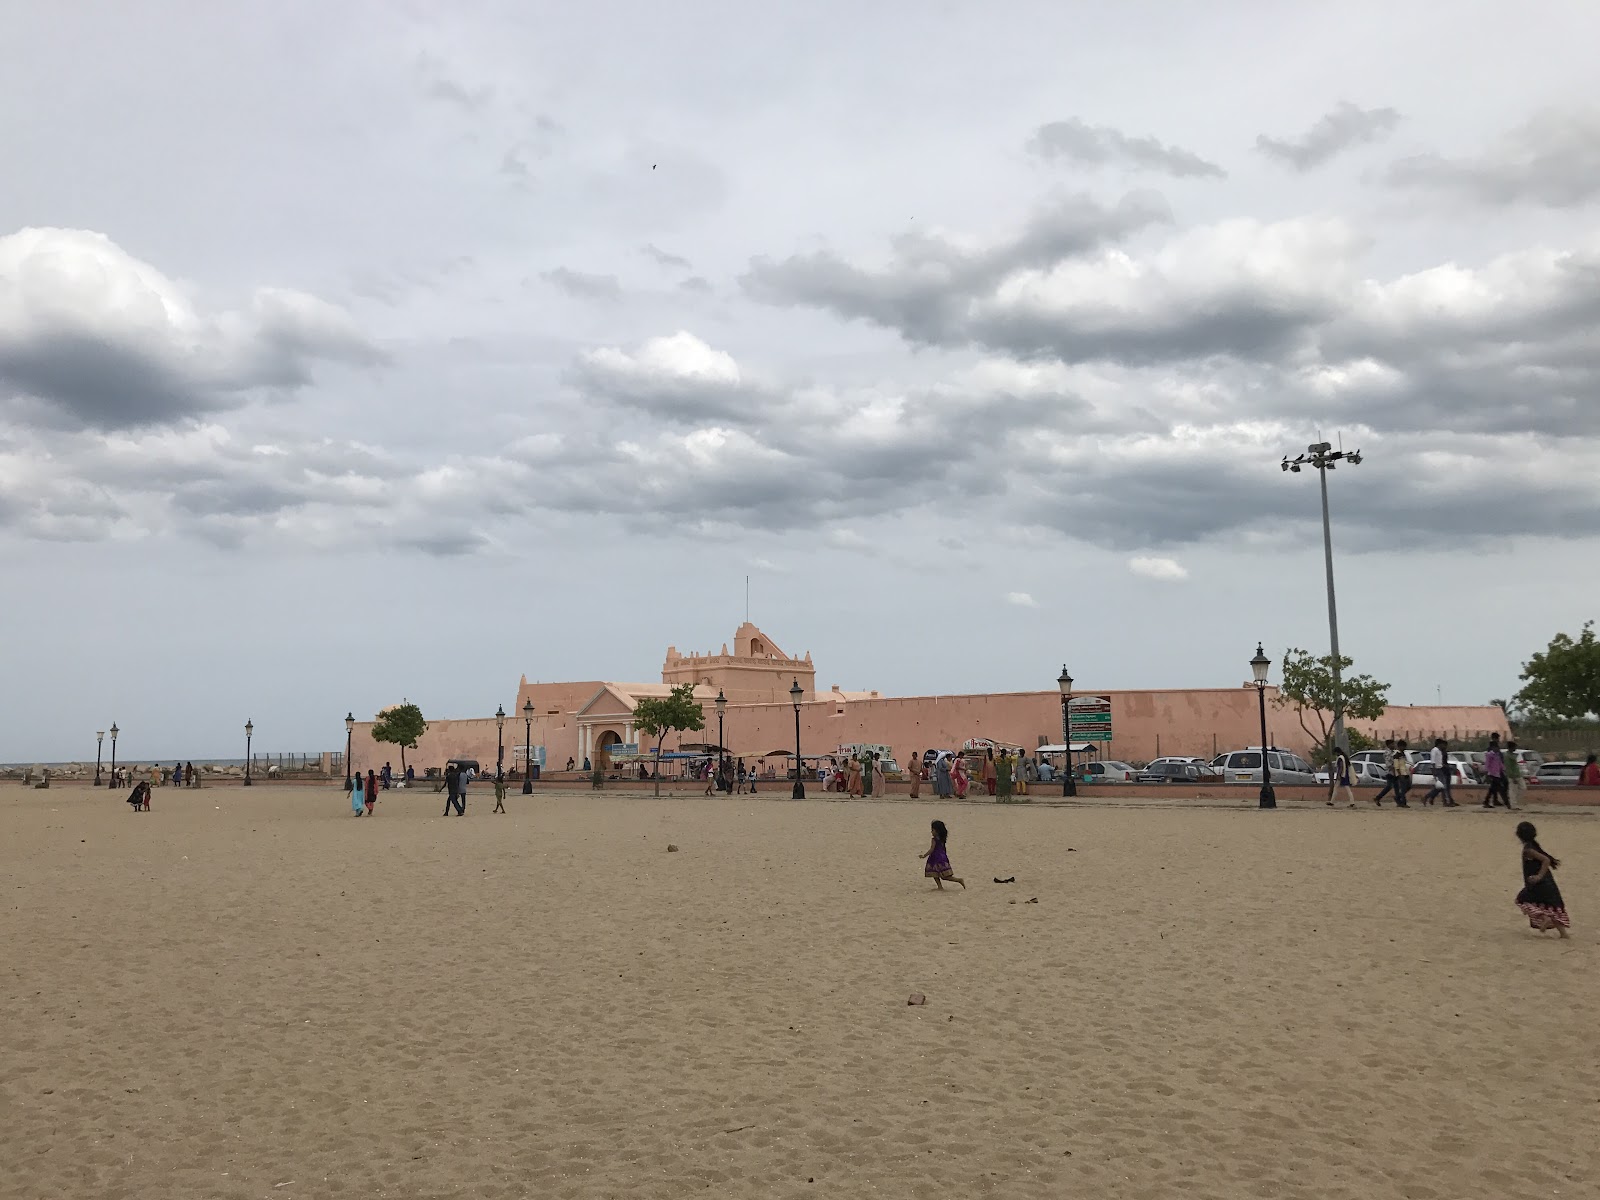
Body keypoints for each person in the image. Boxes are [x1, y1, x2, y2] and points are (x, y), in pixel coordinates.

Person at [1514, 822, 1569, 938]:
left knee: (1521, 899)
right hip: (1548, 882)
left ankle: (1544, 918)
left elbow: (1546, 860)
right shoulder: (1534, 846)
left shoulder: (1529, 850)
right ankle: (1563, 934)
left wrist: (1539, 876)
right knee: (1552, 906)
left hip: (1538, 883)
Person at [918, 819, 965, 890]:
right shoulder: (942, 839)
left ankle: (958, 880)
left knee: (941, 875)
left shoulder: (934, 839)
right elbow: (943, 849)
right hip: (941, 857)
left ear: (937, 831)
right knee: (935, 873)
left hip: (936, 858)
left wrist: (924, 855)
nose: (931, 832)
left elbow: (932, 849)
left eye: (932, 830)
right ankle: (940, 886)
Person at [1421, 739, 1456, 807]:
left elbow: (1440, 762)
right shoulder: (1434, 750)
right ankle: (1444, 802)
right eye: (1442, 744)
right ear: (1439, 744)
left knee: (1441, 787)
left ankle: (1427, 797)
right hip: (1437, 769)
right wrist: (1434, 772)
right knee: (1443, 786)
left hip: (1441, 769)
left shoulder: (1440, 751)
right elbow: (1433, 762)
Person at [1482, 736, 1508, 808]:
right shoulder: (1490, 754)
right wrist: (1487, 773)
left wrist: (1503, 769)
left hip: (1497, 773)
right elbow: (1487, 764)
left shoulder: (1497, 754)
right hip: (1492, 773)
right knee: (1497, 787)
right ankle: (1506, 802)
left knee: (1493, 788)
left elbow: (1500, 763)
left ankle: (1487, 801)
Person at [1372, 740, 1398, 806]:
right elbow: (1388, 763)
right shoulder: (1388, 753)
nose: (1394, 745)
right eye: (1392, 744)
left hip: (1393, 771)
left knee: (1396, 786)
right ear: (1389, 745)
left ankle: (1399, 801)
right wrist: (1393, 770)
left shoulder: (1392, 752)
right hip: (1390, 772)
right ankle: (1378, 798)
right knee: (1389, 786)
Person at [1504, 741, 1525, 809]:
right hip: (1512, 775)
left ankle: (1513, 802)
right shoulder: (1507, 756)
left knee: (1522, 788)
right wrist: (1512, 777)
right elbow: (1508, 767)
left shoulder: (1512, 755)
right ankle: (1513, 804)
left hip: (1517, 774)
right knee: (1513, 790)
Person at [1391, 740, 1412, 808]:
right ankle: (1403, 802)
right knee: (1403, 788)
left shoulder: (1403, 754)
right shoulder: (1396, 755)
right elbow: (1396, 766)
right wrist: (1399, 775)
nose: (1404, 748)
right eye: (1403, 746)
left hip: (1405, 772)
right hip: (1401, 773)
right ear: (1399, 746)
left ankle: (1398, 797)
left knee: (1408, 786)